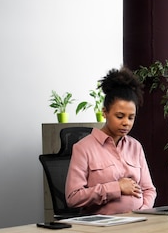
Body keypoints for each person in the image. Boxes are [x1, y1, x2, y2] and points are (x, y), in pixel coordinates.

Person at [65, 66, 157, 214]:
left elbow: (149, 190)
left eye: (131, 117)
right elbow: (73, 197)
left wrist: (143, 212)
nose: (126, 122)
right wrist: (116, 187)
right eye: (120, 116)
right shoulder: (83, 148)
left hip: (138, 223)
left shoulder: (135, 146)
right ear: (105, 112)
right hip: (103, 226)